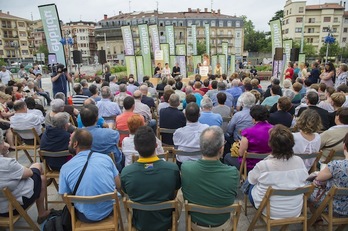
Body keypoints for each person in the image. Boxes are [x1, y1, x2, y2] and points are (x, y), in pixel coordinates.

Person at [121, 126, 181, 231]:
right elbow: (175, 191)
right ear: (156, 145)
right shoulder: (172, 169)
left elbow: (126, 192)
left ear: (135, 148)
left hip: (140, 223)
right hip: (166, 222)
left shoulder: (127, 173)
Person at [181, 126, 239, 230]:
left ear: (200, 146)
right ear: (221, 149)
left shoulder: (186, 168)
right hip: (222, 225)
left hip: (195, 224)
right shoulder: (233, 173)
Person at [247, 125, 309, 219]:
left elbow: (251, 180)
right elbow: (304, 180)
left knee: (249, 183)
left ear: (271, 144)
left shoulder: (264, 165)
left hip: (269, 210)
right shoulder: (299, 161)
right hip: (294, 210)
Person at [59, 129, 120, 222]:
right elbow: (118, 185)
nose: (69, 142)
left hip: (84, 216)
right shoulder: (106, 159)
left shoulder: (65, 167)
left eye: (70, 140)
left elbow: (64, 196)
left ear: (75, 144)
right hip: (109, 211)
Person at [0, 146, 51, 224]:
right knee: (38, 169)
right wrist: (5, 155)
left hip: (2, 206)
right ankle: (42, 213)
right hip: (12, 208)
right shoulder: (6, 163)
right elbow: (30, 173)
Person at [309, 132, 348, 216]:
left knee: (308, 188)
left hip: (331, 206)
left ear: (344, 146)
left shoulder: (336, 165)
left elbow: (319, 177)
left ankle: (315, 219)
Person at [225, 105, 272, 170]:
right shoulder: (274, 130)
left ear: (253, 118)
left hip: (250, 166)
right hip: (268, 165)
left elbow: (241, 153)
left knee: (227, 156)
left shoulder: (248, 133)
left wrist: (239, 144)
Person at [80, 104, 122, 170]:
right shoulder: (112, 134)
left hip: (87, 168)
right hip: (110, 167)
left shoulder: (77, 135)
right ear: (97, 118)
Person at [173, 103, 209, 168]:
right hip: (201, 162)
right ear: (199, 115)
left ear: (185, 115)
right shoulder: (206, 129)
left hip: (182, 163)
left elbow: (176, 145)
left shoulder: (178, 132)